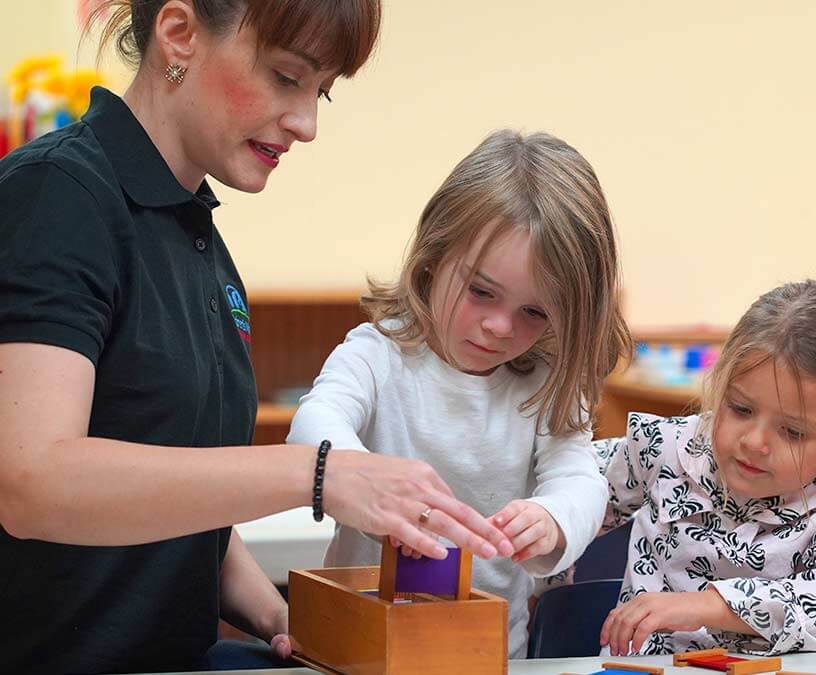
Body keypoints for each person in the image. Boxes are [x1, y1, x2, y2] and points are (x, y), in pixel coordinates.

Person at [0, 2, 511, 672]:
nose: (307, 123)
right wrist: (319, 472)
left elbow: (184, 523)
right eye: (286, 77)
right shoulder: (57, 194)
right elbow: (31, 480)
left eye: (320, 90)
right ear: (178, 33)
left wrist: (282, 617)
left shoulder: (200, 244)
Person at [287, 129, 632, 657]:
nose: (499, 326)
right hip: (359, 653)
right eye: (481, 292)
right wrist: (365, 480)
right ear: (434, 256)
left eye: (534, 312)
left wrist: (553, 520)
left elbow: (580, 481)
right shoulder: (380, 354)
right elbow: (314, 422)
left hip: (489, 656)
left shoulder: (547, 384)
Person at [592, 281, 816, 656]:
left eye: (792, 431)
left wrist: (710, 606)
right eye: (740, 409)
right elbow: (572, 488)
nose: (754, 442)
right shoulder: (668, 449)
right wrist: (545, 516)